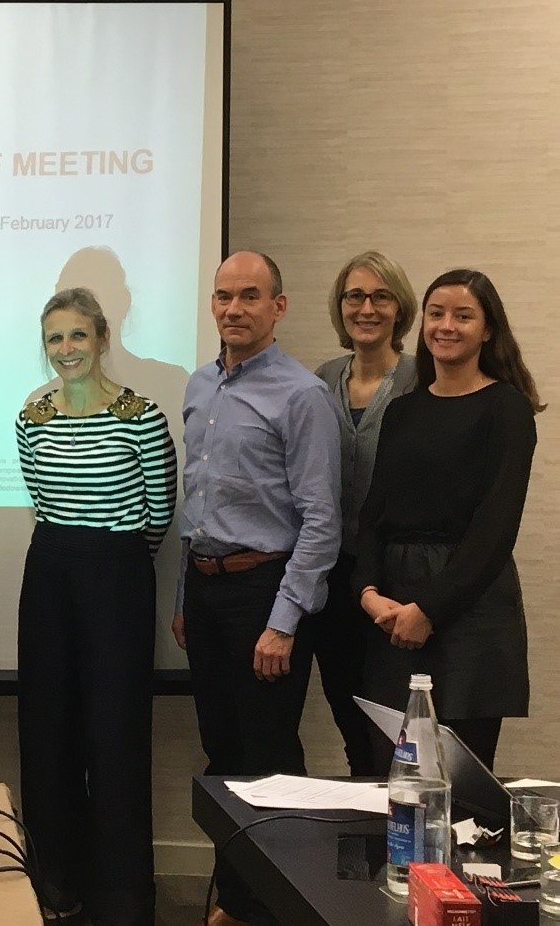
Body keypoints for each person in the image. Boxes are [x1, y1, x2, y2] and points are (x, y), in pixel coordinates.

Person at [172, 251, 340, 926]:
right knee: (223, 752)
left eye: (249, 296)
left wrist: (285, 618)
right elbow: (197, 503)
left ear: (278, 306)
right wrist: (185, 598)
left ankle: (271, 906)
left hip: (265, 592)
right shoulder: (199, 386)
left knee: (268, 760)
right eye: (223, 296)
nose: (233, 308)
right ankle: (238, 897)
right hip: (207, 591)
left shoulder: (302, 394)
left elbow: (322, 517)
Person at [14, 287, 177, 926]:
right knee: (47, 727)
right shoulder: (33, 414)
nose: (66, 350)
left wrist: (119, 564)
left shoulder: (141, 413)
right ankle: (57, 884)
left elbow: (159, 512)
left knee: (115, 734)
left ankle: (121, 899)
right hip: (50, 570)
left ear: (103, 338)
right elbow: (40, 497)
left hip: (118, 573)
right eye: (55, 338)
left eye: (78, 336)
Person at [354, 269, 541, 772]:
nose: (446, 325)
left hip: (468, 612)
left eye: (463, 315)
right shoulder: (401, 412)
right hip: (391, 611)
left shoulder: (507, 409)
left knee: (458, 792)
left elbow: (496, 529)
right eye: (436, 313)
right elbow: (373, 516)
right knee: (392, 780)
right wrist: (369, 593)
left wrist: (430, 609)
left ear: (488, 331)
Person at [307, 251, 418, 776]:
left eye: (381, 296)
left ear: (400, 308)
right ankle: (367, 838)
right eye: (355, 296)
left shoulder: (423, 380)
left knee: (396, 726)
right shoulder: (321, 379)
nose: (367, 308)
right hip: (333, 578)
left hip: (397, 579)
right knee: (349, 712)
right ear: (340, 306)